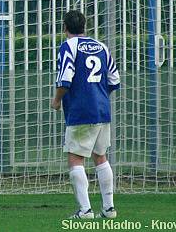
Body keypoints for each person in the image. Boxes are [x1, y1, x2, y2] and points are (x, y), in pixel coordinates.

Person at [51, 11, 120, 219]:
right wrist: (98, 95)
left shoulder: (68, 47)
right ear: (84, 26)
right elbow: (114, 79)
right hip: (102, 109)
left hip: (81, 111)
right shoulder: (101, 46)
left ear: (65, 28)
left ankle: (85, 210)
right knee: (101, 157)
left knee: (75, 158)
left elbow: (65, 79)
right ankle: (109, 208)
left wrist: (56, 100)